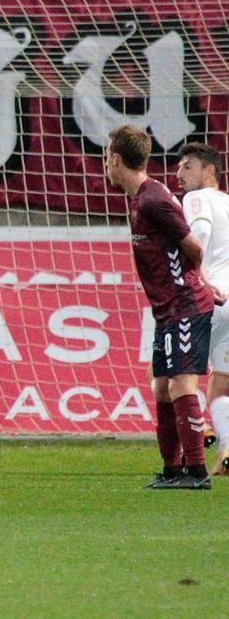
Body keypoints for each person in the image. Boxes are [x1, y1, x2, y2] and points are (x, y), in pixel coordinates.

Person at [105, 125, 218, 490]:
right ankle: (172, 469)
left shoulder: (153, 200)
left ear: (117, 159)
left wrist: (198, 280)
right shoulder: (143, 198)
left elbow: (194, 247)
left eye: (107, 156)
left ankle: (197, 473)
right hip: (167, 309)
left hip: (185, 304)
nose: (106, 164)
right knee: (160, 388)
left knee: (182, 385)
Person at [177, 141, 229, 476]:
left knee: (171, 375)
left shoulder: (196, 199)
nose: (179, 174)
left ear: (209, 171)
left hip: (207, 297)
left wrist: (200, 277)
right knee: (221, 386)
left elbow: (200, 233)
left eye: (188, 167)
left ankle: (203, 433)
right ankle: (227, 452)